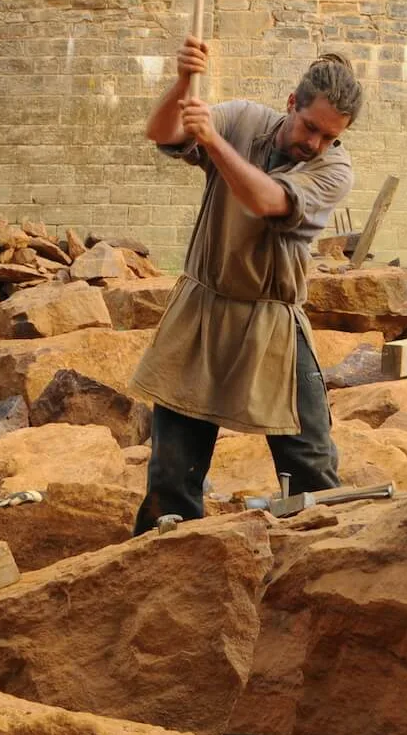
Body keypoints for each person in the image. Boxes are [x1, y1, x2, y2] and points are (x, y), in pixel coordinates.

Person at [129, 38, 363, 534]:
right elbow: (162, 133)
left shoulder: (333, 169)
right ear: (291, 104)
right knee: (171, 477)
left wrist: (213, 143)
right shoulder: (242, 119)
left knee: (311, 468)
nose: (315, 144)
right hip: (201, 310)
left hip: (272, 319)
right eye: (310, 128)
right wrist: (181, 82)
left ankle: (325, 572)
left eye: (330, 136)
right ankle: (165, 574)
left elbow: (266, 201)